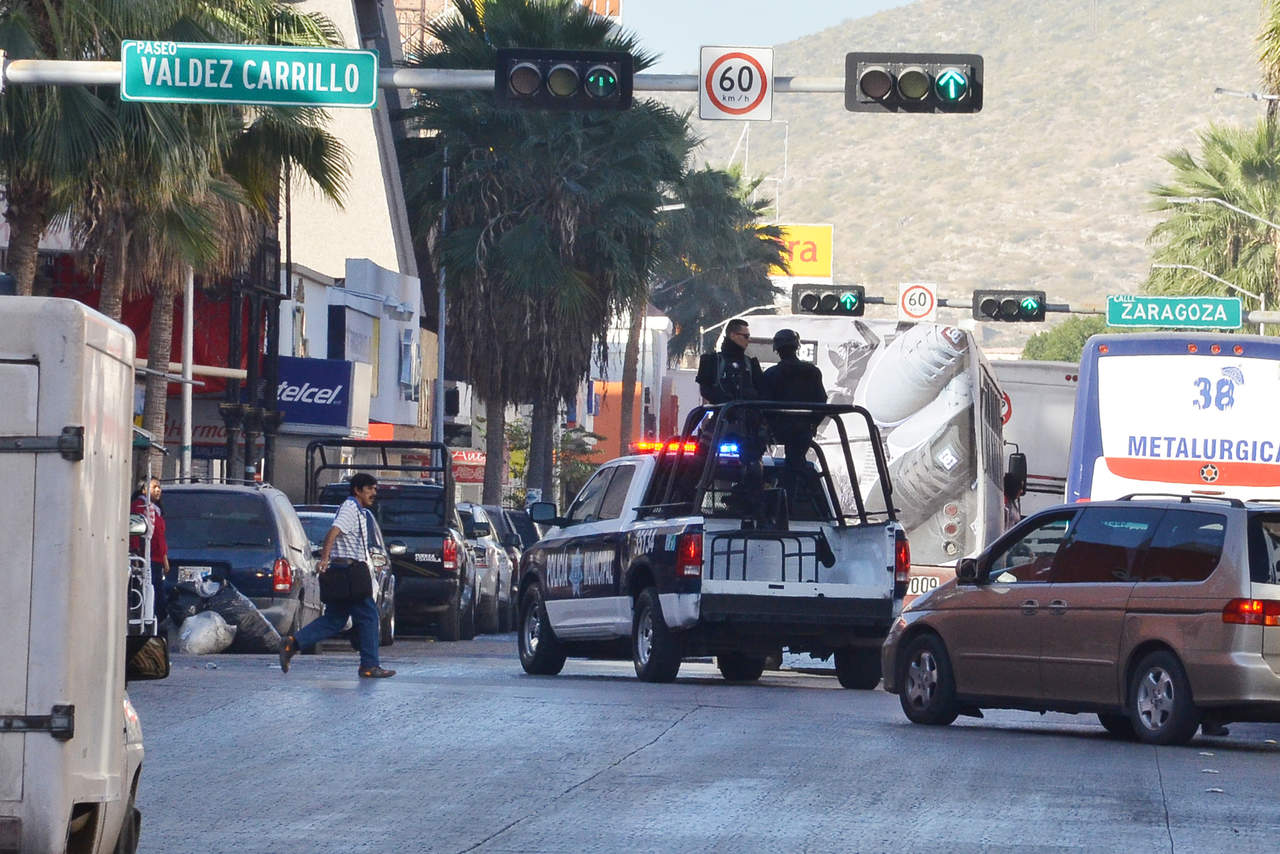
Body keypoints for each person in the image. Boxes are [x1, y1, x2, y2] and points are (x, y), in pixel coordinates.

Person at [279, 473, 394, 679]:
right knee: (369, 616)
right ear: (357, 490)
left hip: (346, 572)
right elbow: (333, 532)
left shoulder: (359, 510)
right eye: (370, 489)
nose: (374, 493)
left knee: (335, 619)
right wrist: (324, 559)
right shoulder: (350, 508)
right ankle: (369, 665)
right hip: (348, 572)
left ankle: (292, 644)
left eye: (375, 489)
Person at [696, 319, 767, 518]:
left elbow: (763, 392)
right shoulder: (712, 361)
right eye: (745, 336)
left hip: (748, 427)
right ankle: (687, 506)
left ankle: (755, 515)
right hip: (720, 423)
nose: (748, 340)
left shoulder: (750, 364)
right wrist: (727, 404)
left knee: (754, 470)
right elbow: (706, 388)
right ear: (732, 335)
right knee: (700, 465)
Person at [760, 329, 828, 505]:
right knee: (796, 463)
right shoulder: (812, 372)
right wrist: (812, 425)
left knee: (758, 459)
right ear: (797, 346)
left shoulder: (771, 375)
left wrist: (769, 427)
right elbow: (822, 402)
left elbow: (763, 405)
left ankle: (766, 497)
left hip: (779, 430)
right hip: (802, 431)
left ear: (777, 349)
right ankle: (802, 500)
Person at [130, 478, 169, 626]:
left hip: (156, 558)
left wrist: (164, 558)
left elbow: (160, 536)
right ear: (144, 490)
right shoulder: (139, 507)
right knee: (151, 592)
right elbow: (136, 534)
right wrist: (136, 554)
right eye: (154, 487)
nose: (158, 490)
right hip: (146, 558)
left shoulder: (154, 509)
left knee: (156, 591)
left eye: (159, 487)